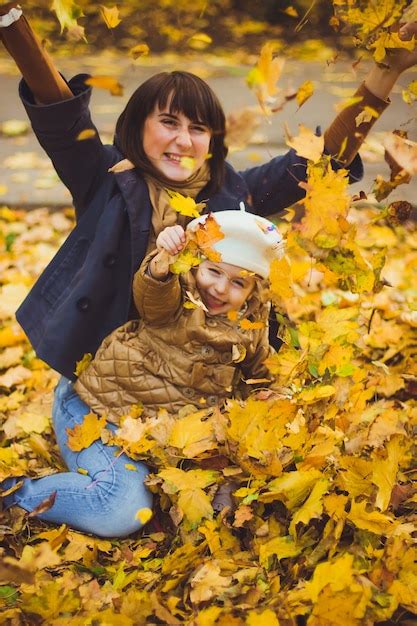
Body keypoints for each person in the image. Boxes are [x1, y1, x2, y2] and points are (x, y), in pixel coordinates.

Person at [1, 3, 417, 534]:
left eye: (198, 128)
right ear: (138, 126)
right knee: (122, 509)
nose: (182, 140)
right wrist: (15, 30)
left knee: (263, 493)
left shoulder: (231, 196)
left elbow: (321, 164)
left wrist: (386, 74)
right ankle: (15, 496)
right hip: (98, 398)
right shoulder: (106, 178)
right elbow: (63, 119)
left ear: (212, 141)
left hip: (186, 406)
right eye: (168, 122)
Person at [2, 210, 284, 536]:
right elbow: (153, 291)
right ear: (195, 265)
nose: (220, 288)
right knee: (121, 510)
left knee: (215, 501)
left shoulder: (251, 322)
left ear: (253, 289)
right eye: (213, 271)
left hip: (157, 437)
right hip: (97, 411)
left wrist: (274, 395)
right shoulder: (178, 298)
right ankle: (14, 493)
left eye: (238, 282)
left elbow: (263, 368)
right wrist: (163, 260)